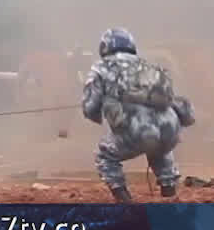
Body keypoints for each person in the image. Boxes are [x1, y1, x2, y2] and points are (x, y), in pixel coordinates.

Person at [79, 27, 196, 203]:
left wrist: (97, 111)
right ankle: (169, 192)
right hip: (170, 130)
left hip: (139, 131)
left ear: (105, 47)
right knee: (159, 149)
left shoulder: (101, 67)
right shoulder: (146, 65)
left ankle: (125, 200)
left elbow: (90, 106)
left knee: (105, 155)